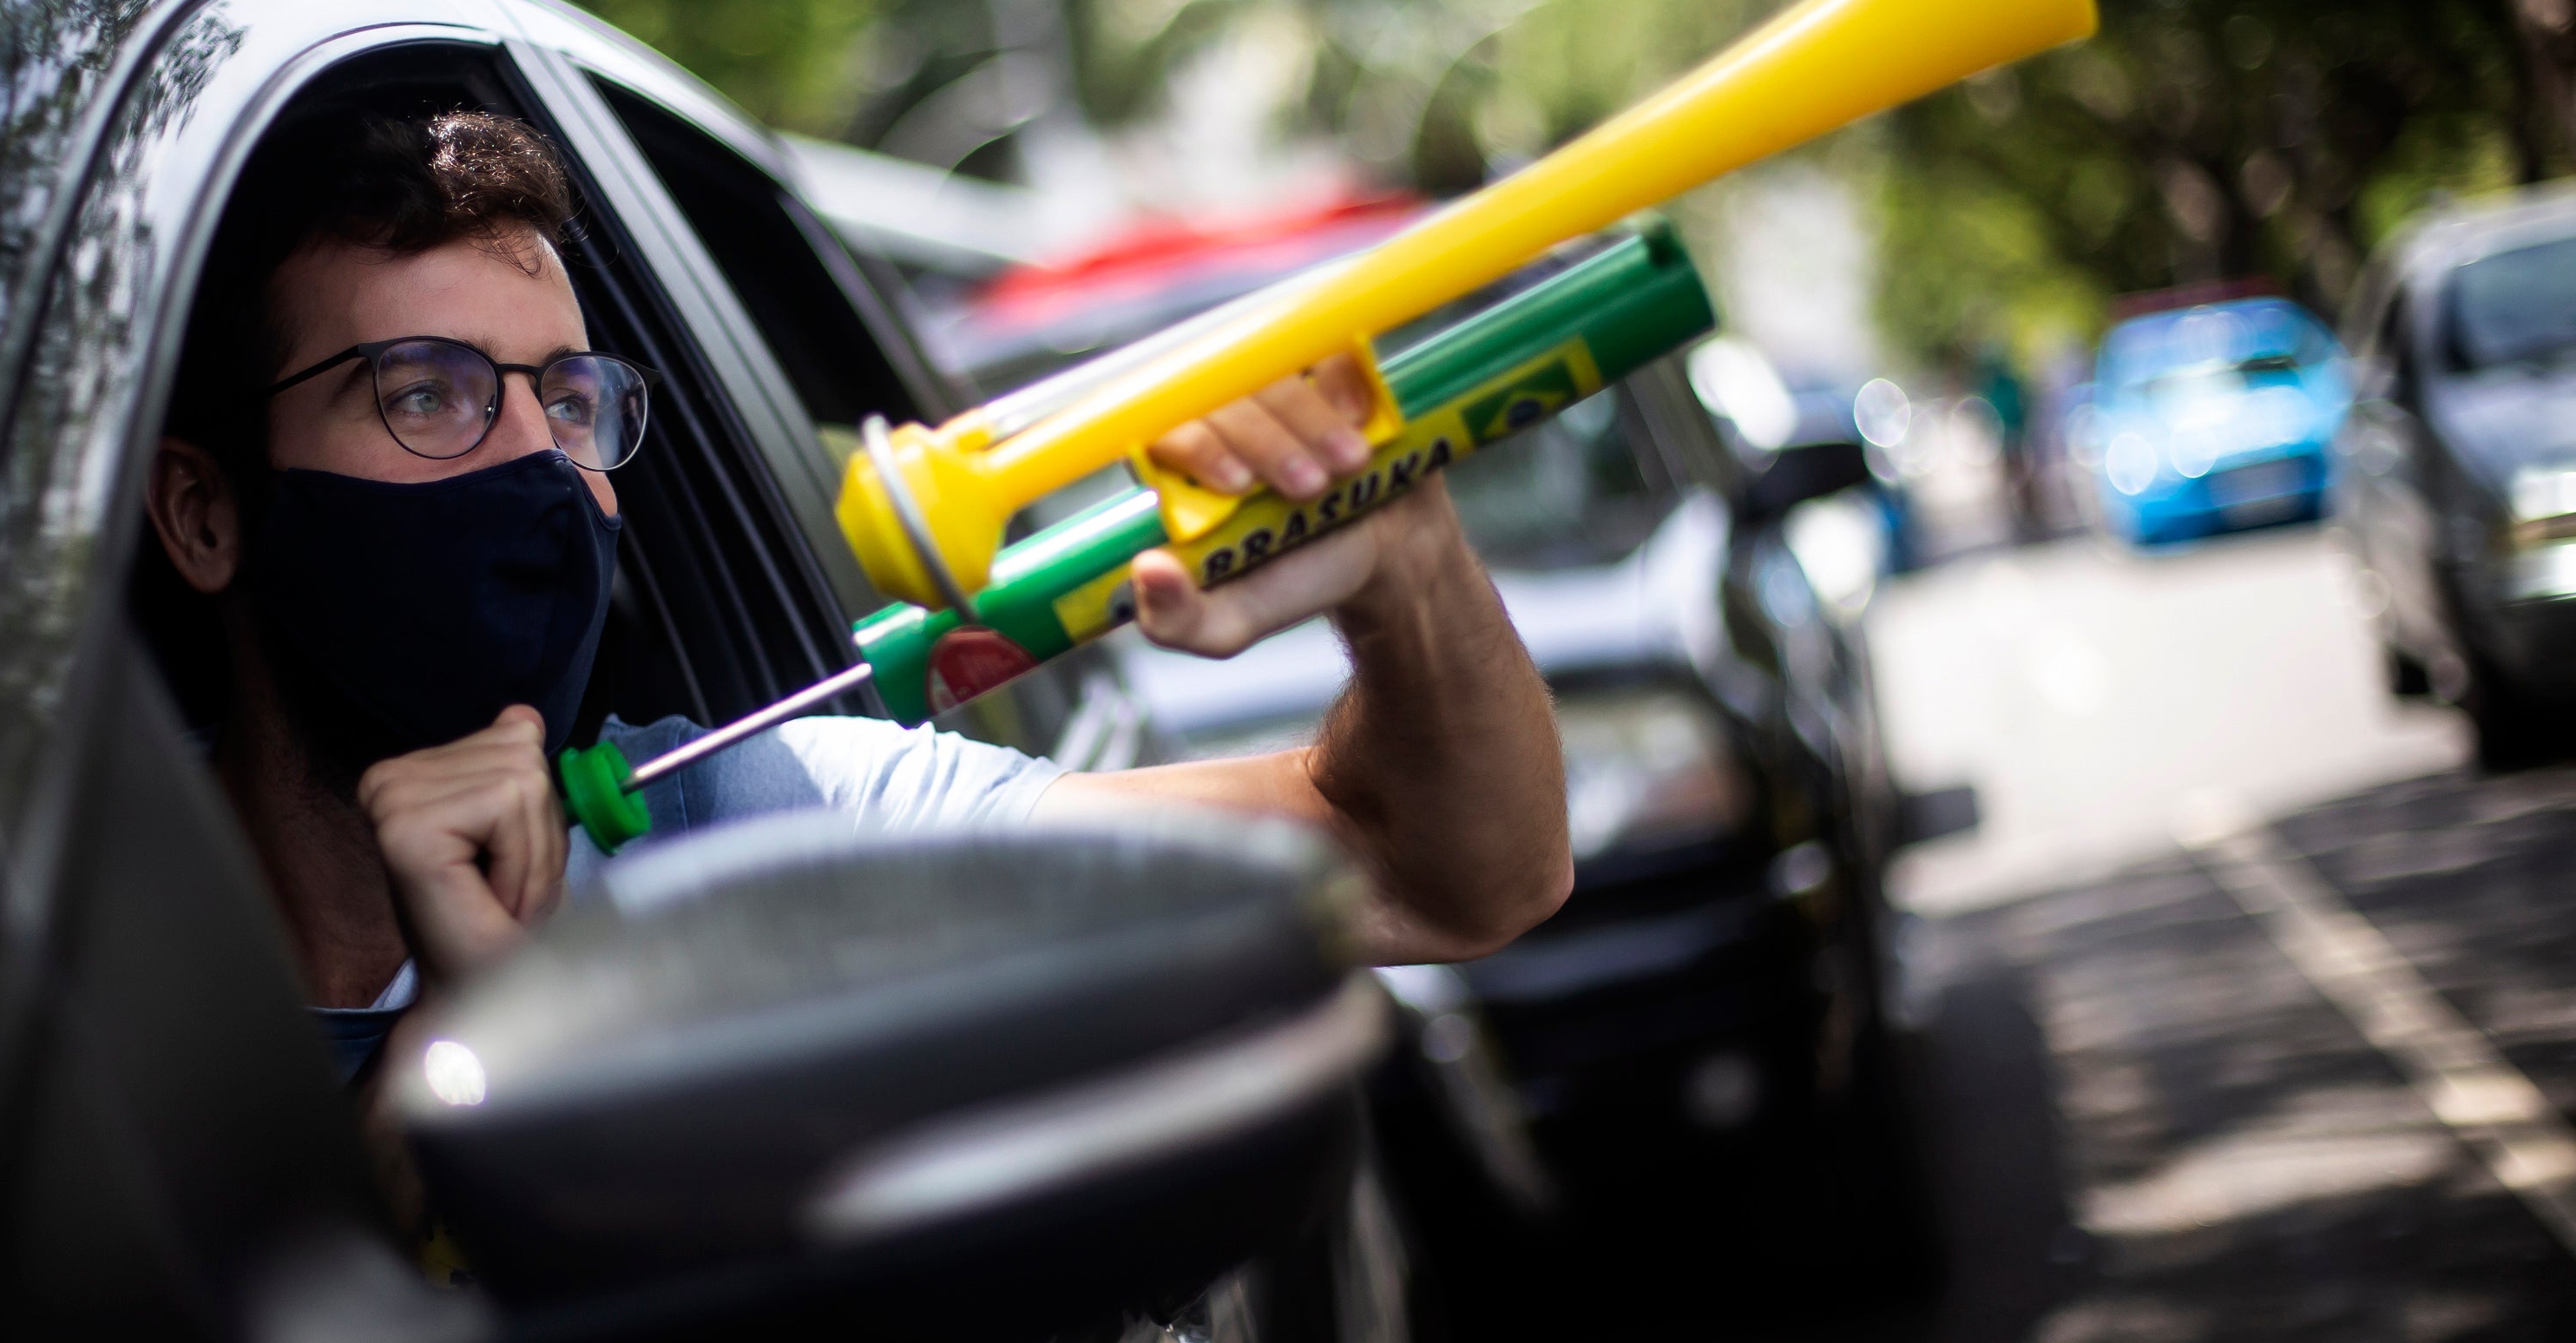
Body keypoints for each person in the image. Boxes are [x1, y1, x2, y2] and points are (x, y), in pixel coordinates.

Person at [140, 108, 1571, 1084]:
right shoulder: (40, 985)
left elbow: (1438, 871)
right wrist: (466, 1022)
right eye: (424, 393)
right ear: (205, 512)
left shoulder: (741, 824)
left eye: (572, 402)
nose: (540, 466)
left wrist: (1407, 564)